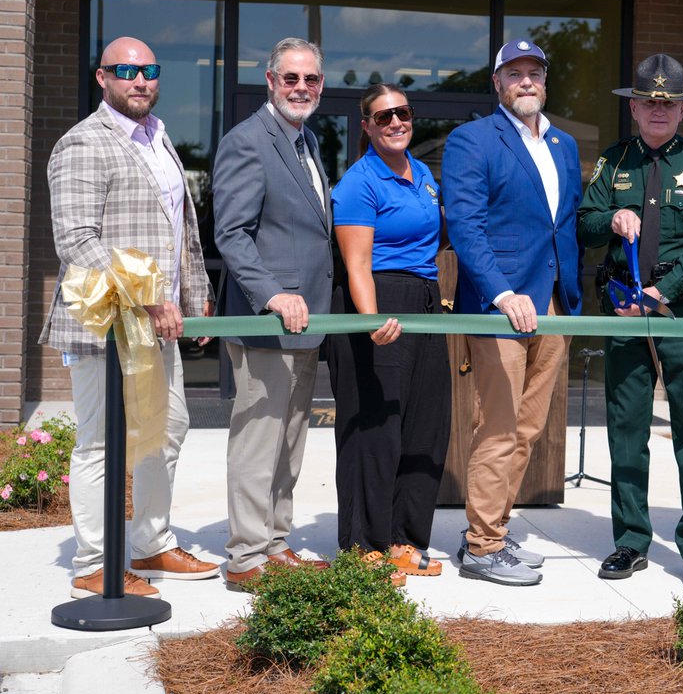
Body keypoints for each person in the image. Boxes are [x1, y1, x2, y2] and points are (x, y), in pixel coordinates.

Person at [42, 36, 219, 599]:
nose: (140, 80)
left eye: (149, 70)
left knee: (165, 430)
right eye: (126, 70)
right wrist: (144, 296)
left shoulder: (159, 139)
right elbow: (76, 240)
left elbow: (178, 231)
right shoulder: (82, 144)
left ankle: (148, 543)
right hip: (103, 321)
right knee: (99, 441)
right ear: (102, 77)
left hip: (156, 324)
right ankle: (95, 562)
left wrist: (196, 293)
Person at [579, 53, 683, 591]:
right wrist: (610, 217)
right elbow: (585, 225)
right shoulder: (614, 162)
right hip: (624, 308)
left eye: (669, 103)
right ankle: (631, 540)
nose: (658, 111)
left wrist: (663, 289)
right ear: (634, 107)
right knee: (626, 427)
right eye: (649, 102)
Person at [442, 39, 583, 587]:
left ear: (545, 82)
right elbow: (467, 227)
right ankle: (481, 548)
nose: (526, 82)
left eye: (535, 73)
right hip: (502, 305)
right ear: (497, 83)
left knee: (529, 428)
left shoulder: (564, 144)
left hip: (553, 301)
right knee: (498, 427)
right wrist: (502, 293)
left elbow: (562, 223)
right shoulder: (471, 140)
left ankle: (493, 529)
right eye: (515, 74)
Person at [213, 37, 343, 590]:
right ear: (270, 81)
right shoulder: (248, 141)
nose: (301, 88)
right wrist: (271, 295)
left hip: (307, 322)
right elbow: (232, 234)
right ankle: (245, 557)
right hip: (268, 320)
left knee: (291, 437)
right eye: (290, 78)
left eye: (310, 79)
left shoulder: (308, 141)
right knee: (258, 437)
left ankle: (276, 540)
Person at [326, 84, 450, 583]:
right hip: (378, 300)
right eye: (384, 116)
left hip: (424, 300)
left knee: (425, 423)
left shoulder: (421, 174)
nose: (396, 122)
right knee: (374, 429)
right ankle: (362, 544)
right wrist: (373, 318)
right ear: (367, 126)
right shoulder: (360, 182)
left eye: (403, 113)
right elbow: (356, 263)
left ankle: (403, 538)